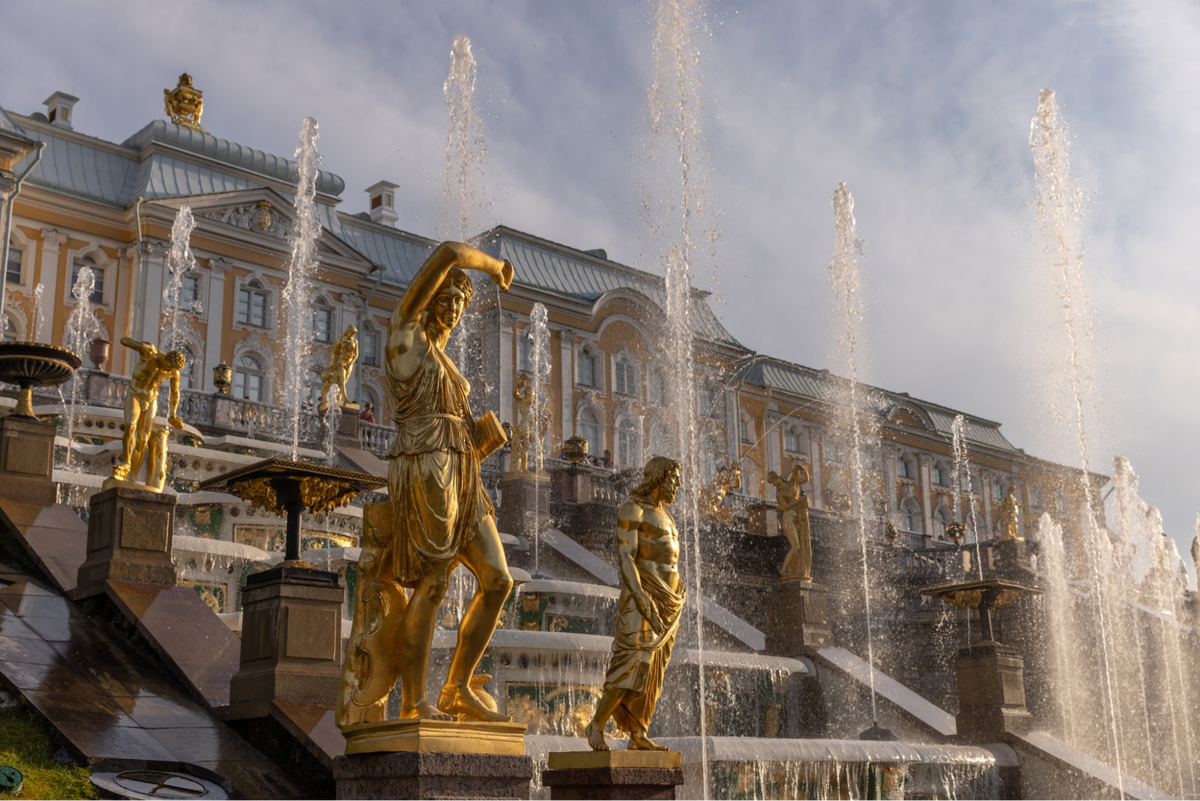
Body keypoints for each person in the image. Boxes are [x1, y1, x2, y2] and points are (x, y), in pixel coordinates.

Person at [337, 241, 514, 725]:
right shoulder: (404, 333)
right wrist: (494, 267)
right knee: (433, 583)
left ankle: (457, 687)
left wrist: (480, 437)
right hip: (425, 465)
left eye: (461, 303)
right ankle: (415, 702)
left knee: (498, 580)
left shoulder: (442, 356)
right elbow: (450, 252)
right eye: (448, 299)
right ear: (428, 298)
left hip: (463, 469)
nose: (454, 309)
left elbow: (450, 424)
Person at [586, 456, 686, 751]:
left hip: (669, 601)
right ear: (659, 477)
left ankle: (638, 732)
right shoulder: (633, 509)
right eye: (675, 479)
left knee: (654, 670)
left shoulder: (666, 515)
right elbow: (626, 557)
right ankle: (596, 725)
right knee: (633, 663)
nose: (678, 485)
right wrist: (641, 597)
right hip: (641, 596)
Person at [111, 337, 184, 487]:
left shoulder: (174, 372)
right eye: (168, 367)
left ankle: (132, 478)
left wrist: (173, 413)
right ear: (165, 358)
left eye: (171, 370)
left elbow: (175, 393)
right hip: (135, 394)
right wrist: (139, 346)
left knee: (143, 438)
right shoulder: (151, 354)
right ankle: (126, 463)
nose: (168, 371)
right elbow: (123, 340)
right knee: (131, 425)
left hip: (151, 400)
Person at [768, 464, 812, 581]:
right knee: (796, 546)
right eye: (772, 483)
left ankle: (796, 569)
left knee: (802, 544)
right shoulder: (779, 494)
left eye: (773, 481)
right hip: (788, 519)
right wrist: (799, 501)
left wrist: (802, 469)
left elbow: (806, 479)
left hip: (799, 516)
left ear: (777, 477)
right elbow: (786, 506)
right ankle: (784, 569)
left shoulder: (792, 483)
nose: (773, 484)